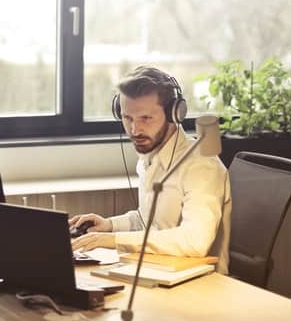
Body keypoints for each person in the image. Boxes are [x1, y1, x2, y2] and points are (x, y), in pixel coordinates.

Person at [70, 66, 231, 274]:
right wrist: (109, 225)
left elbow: (195, 241)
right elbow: (150, 221)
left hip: (201, 284)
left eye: (146, 118)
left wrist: (113, 240)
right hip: (157, 270)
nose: (135, 131)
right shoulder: (150, 156)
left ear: (175, 113)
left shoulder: (201, 166)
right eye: (128, 118)